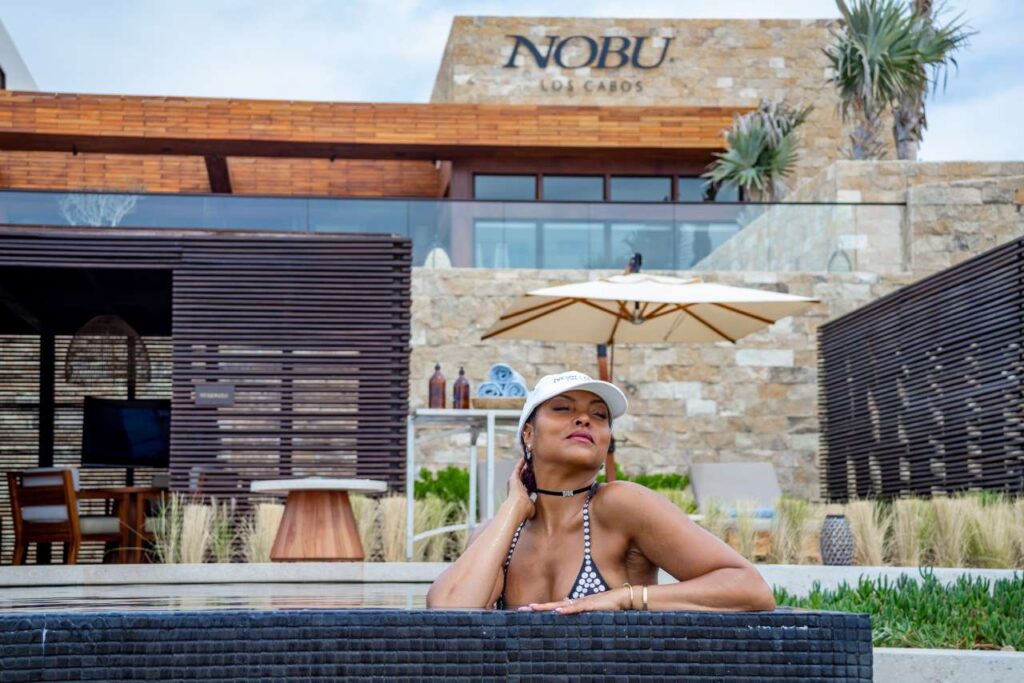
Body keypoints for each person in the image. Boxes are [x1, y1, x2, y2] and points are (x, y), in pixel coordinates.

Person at [427, 370, 776, 613]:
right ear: (528, 435)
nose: (584, 419)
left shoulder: (621, 505)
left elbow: (750, 588)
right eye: (563, 408)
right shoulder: (499, 533)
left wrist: (625, 598)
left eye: (599, 415)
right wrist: (514, 507)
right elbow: (447, 616)